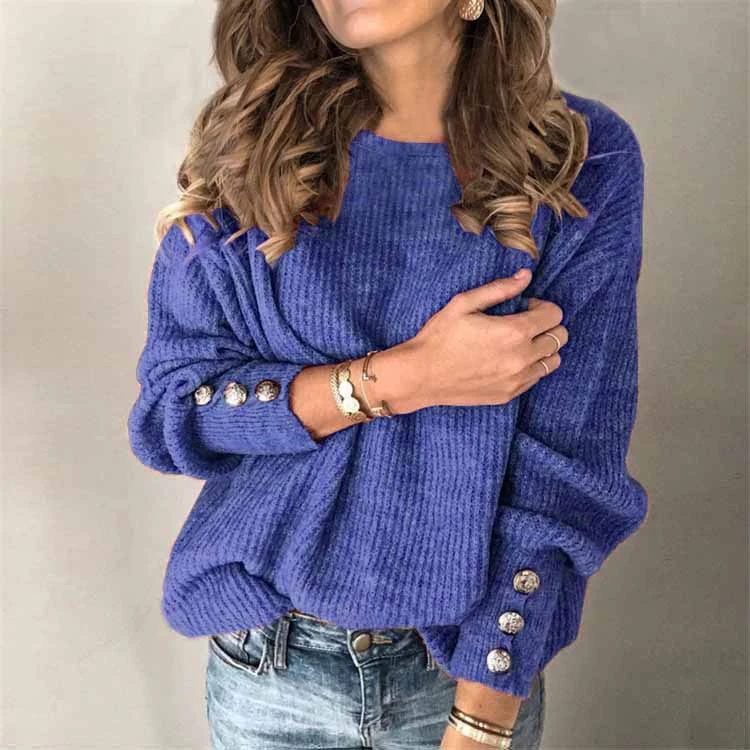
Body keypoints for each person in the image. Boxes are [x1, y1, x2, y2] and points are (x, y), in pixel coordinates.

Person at [127, 1, 648, 748]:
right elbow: (172, 414)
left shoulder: (580, 161)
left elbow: (567, 470)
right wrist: (402, 379)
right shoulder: (252, 148)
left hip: (459, 668)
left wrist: (482, 716)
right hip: (270, 667)